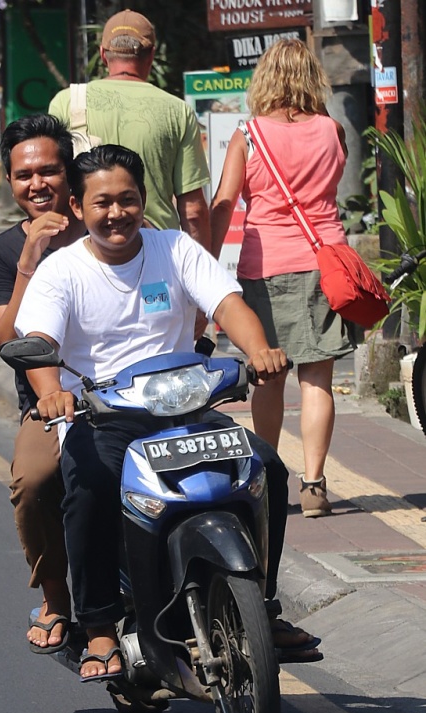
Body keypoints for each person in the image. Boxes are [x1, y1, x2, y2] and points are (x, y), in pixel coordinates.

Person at [14, 144, 322, 679]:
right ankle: (102, 624)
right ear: (80, 208)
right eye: (103, 203)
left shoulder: (176, 248)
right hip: (102, 417)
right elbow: (39, 339)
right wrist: (50, 392)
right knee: (87, 486)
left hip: (186, 408)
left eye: (128, 200)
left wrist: (259, 351)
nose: (116, 214)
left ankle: (262, 605)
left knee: (266, 467)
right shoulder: (61, 270)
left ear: (144, 200)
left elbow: (227, 304)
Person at [210, 39, 356, 518]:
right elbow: (333, 184)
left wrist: (206, 263)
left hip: (265, 265)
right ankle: (314, 485)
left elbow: (225, 200)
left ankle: (267, 482)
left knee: (268, 378)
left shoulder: (248, 135)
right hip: (324, 262)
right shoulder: (332, 130)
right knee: (318, 379)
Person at [0, 114, 86, 652]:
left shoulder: (110, 230)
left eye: (49, 171)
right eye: (24, 175)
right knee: (35, 482)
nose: (37, 184)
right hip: (52, 404)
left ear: (70, 176)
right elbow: (5, 335)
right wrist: (29, 262)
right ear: (11, 182)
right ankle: (56, 596)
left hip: (133, 393)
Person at [48, 9, 211, 249]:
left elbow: (55, 184)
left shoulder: (66, 102)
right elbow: (194, 211)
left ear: (103, 55)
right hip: (157, 251)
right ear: (151, 55)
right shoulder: (177, 110)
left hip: (86, 251)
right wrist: (200, 271)